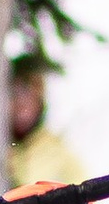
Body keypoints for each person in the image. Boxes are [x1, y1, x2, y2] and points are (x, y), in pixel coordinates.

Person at [6, 53, 82, 195]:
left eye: (28, 102)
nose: (21, 110)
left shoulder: (57, 152)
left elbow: (86, 203)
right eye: (15, 99)